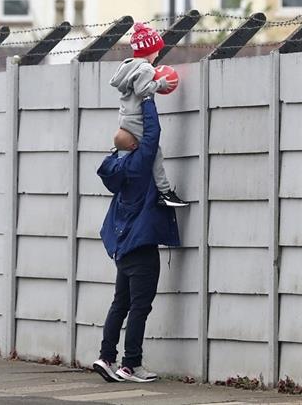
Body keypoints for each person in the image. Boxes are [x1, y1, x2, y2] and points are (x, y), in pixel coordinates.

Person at [92, 98, 180, 383]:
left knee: (120, 303)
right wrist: (147, 99)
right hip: (142, 248)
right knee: (139, 308)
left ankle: (106, 357)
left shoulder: (118, 167)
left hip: (123, 249)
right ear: (134, 145)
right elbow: (152, 135)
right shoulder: (140, 165)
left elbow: (132, 139)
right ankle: (130, 365)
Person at [109, 22, 188, 208]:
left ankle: (134, 180)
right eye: (157, 50)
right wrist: (160, 84)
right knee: (154, 152)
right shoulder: (146, 68)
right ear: (150, 50)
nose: (158, 54)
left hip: (125, 116)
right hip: (137, 118)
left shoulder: (127, 65)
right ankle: (165, 192)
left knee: (134, 151)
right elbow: (142, 90)